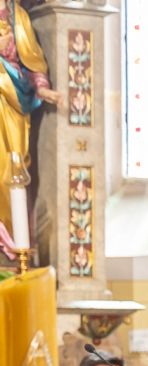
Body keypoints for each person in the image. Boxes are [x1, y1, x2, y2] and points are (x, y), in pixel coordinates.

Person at [0, 0, 60, 237]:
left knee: (12, 167)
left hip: (13, 100)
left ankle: (11, 241)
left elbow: (32, 59)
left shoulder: (19, 16)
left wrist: (42, 88)